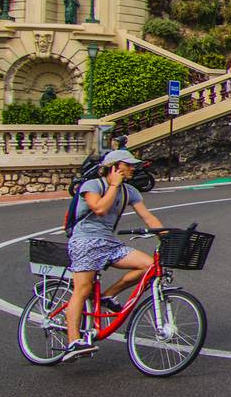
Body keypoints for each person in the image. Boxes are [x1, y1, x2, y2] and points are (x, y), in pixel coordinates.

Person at [61, 149, 163, 361]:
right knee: (83, 289)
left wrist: (167, 236)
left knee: (149, 266)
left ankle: (108, 294)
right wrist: (114, 185)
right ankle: (73, 340)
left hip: (110, 242)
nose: (133, 168)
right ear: (115, 167)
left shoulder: (130, 191)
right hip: (85, 241)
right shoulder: (92, 186)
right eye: (129, 165)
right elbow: (99, 209)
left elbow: (148, 217)